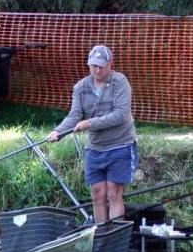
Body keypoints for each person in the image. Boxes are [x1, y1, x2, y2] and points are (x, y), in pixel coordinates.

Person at [48, 44, 138, 223]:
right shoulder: (80, 87)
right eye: (93, 65)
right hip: (95, 148)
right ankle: (102, 237)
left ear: (110, 64)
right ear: (89, 64)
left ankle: (116, 239)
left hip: (120, 144)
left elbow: (121, 115)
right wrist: (59, 131)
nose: (97, 69)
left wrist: (90, 123)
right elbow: (74, 115)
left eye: (101, 66)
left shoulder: (120, 81)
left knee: (113, 192)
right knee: (98, 194)